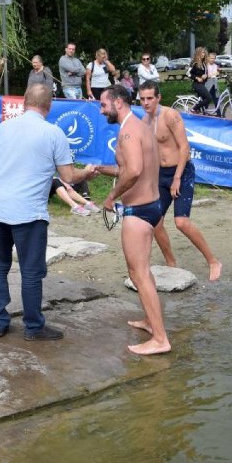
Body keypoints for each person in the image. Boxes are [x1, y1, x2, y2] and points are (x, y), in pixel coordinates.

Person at [0, 83, 91, 340]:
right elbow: (68, 177)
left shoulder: (4, 127)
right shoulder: (53, 133)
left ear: (23, 102)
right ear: (49, 106)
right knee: (31, 272)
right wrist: (86, 172)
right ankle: (33, 327)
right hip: (28, 213)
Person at [88, 84, 170, 355]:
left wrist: (111, 196)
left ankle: (160, 338)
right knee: (143, 271)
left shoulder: (127, 132)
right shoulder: (141, 126)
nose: (101, 111)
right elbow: (131, 168)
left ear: (118, 103)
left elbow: (133, 171)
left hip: (139, 211)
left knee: (138, 273)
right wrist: (103, 169)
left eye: (103, 105)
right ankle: (150, 321)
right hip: (152, 205)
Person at [138, 81, 222, 282]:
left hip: (181, 172)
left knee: (181, 222)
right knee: (154, 220)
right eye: (142, 99)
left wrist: (177, 178)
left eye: (150, 98)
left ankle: (212, 261)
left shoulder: (171, 116)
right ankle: (171, 263)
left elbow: (185, 148)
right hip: (160, 174)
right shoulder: (144, 121)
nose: (146, 103)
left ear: (158, 98)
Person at [189, 47, 211, 114]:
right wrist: (197, 78)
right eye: (201, 52)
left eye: (204, 52)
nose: (203, 54)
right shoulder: (195, 63)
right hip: (197, 85)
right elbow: (188, 74)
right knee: (209, 98)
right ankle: (193, 109)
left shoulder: (204, 63)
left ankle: (202, 114)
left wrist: (206, 76)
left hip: (202, 84)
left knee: (203, 101)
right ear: (198, 53)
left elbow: (204, 75)